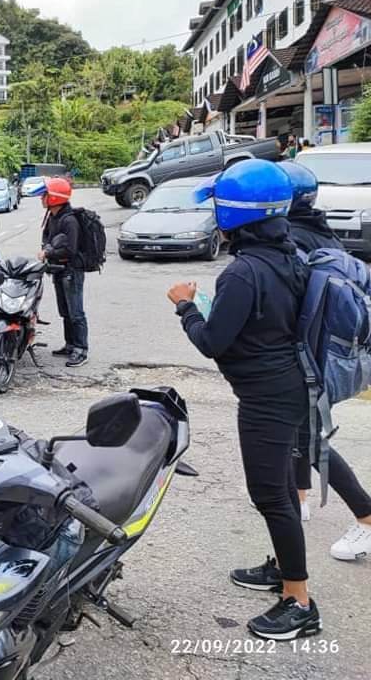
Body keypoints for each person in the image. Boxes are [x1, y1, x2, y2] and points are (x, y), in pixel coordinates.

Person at [168, 160, 320, 641]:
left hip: (266, 398)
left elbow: (213, 341)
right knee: (280, 489)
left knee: (271, 495)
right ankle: (282, 569)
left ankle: (298, 601)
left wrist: (185, 305)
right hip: (291, 385)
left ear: (233, 211)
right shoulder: (288, 253)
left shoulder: (244, 272)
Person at [281, 161, 371, 559]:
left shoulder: (292, 240)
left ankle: (366, 517)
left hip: (311, 357)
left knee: (310, 438)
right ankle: (299, 498)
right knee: (302, 433)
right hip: (333, 352)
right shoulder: (320, 229)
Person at [38, 176, 89, 368]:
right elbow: (46, 237)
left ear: (54, 197)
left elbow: (70, 249)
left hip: (71, 271)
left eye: (45, 195)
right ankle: (70, 344)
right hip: (58, 269)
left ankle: (81, 349)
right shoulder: (52, 216)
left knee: (76, 312)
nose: (41, 198)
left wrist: (49, 251)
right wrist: (47, 248)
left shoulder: (69, 221)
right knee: (65, 311)